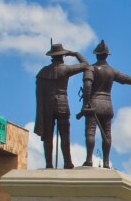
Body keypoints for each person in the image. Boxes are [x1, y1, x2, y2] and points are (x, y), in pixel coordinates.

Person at [79, 40, 131, 168]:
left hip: (93, 104)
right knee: (107, 134)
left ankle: (89, 159)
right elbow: (127, 79)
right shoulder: (112, 71)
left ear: (96, 55)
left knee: (90, 133)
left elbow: (87, 86)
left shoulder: (90, 69)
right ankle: (106, 162)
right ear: (107, 55)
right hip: (107, 104)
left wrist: (85, 104)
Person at [34, 41, 90, 169]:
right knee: (65, 136)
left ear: (52, 56)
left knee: (48, 136)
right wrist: (75, 53)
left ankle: (49, 164)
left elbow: (39, 93)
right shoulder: (66, 69)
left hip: (47, 106)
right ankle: (67, 162)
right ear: (62, 56)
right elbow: (85, 64)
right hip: (62, 105)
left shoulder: (43, 72)